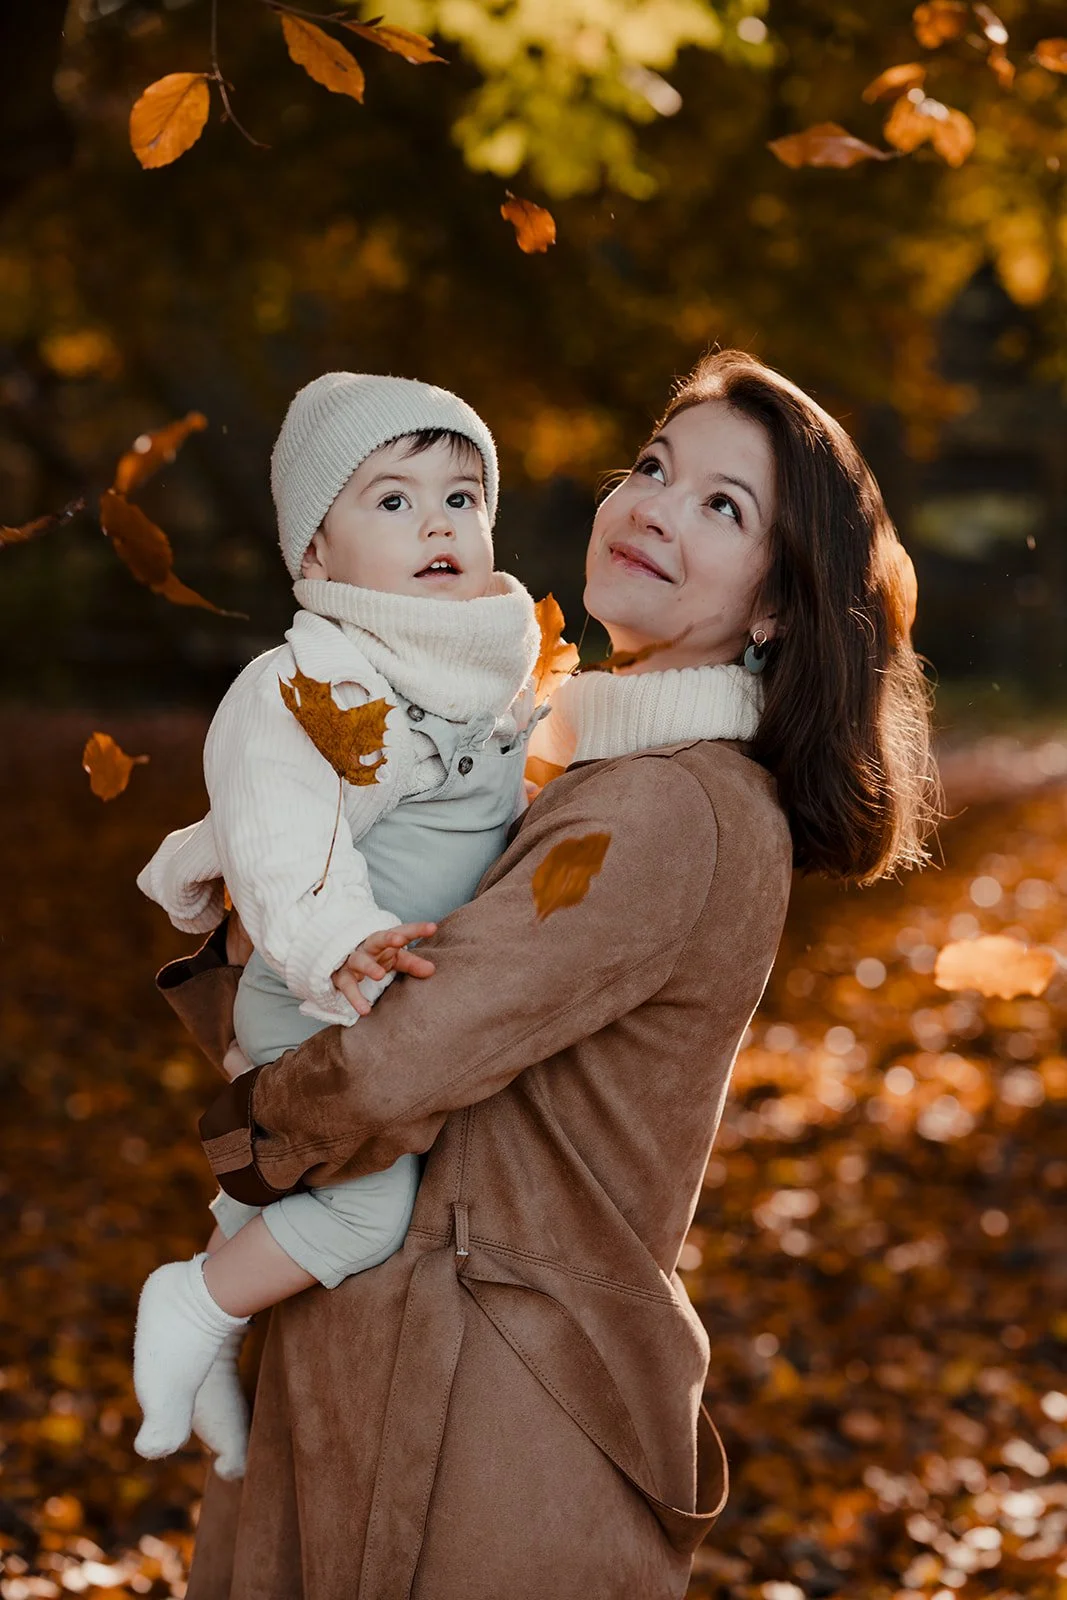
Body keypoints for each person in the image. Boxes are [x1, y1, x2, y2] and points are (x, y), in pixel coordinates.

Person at [156, 351, 937, 1600]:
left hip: (485, 1406)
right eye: (653, 467)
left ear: (775, 606)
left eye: (721, 506)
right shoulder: (568, 773)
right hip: (409, 1352)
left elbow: (398, 1053)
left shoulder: (666, 807)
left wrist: (248, 1126)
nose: (655, 509)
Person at [132, 373, 542, 1478]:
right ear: (315, 552)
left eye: (460, 497)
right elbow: (278, 833)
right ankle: (192, 1303)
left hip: (392, 993)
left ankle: (207, 1346)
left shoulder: (483, 667)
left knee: (281, 1189)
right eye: (393, 501)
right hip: (320, 990)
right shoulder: (305, 682)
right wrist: (335, 939)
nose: (437, 525)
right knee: (365, 1213)